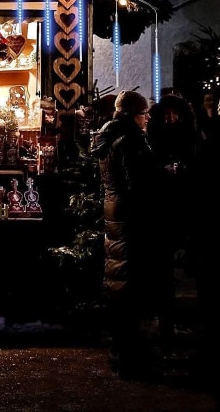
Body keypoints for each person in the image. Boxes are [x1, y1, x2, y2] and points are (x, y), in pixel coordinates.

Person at [90, 89, 163, 379]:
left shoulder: (107, 141)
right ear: (133, 114)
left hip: (114, 218)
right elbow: (140, 188)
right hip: (131, 221)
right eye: (144, 113)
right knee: (133, 287)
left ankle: (121, 353)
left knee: (120, 286)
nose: (147, 118)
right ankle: (134, 358)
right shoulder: (131, 142)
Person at [146, 93, 201, 344]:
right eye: (166, 114)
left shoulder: (191, 135)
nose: (170, 118)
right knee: (164, 268)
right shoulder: (154, 137)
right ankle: (166, 323)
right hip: (163, 208)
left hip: (184, 205)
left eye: (173, 113)